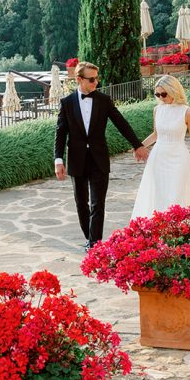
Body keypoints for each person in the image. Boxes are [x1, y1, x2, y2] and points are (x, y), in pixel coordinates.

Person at [54, 61, 149, 249]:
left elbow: (121, 123)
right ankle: (90, 239)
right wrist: (58, 160)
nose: (96, 82)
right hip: (77, 160)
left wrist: (137, 145)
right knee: (81, 204)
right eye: (92, 79)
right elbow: (60, 132)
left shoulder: (104, 100)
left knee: (98, 204)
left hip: (99, 159)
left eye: (97, 78)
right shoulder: (67, 103)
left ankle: (95, 245)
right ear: (79, 80)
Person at [131, 74, 190, 220]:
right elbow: (156, 134)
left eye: (164, 94)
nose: (161, 97)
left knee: (177, 193)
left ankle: (179, 230)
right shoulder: (157, 110)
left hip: (178, 157)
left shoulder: (187, 112)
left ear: (173, 91)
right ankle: (159, 229)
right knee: (159, 193)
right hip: (158, 157)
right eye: (157, 94)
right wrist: (139, 146)